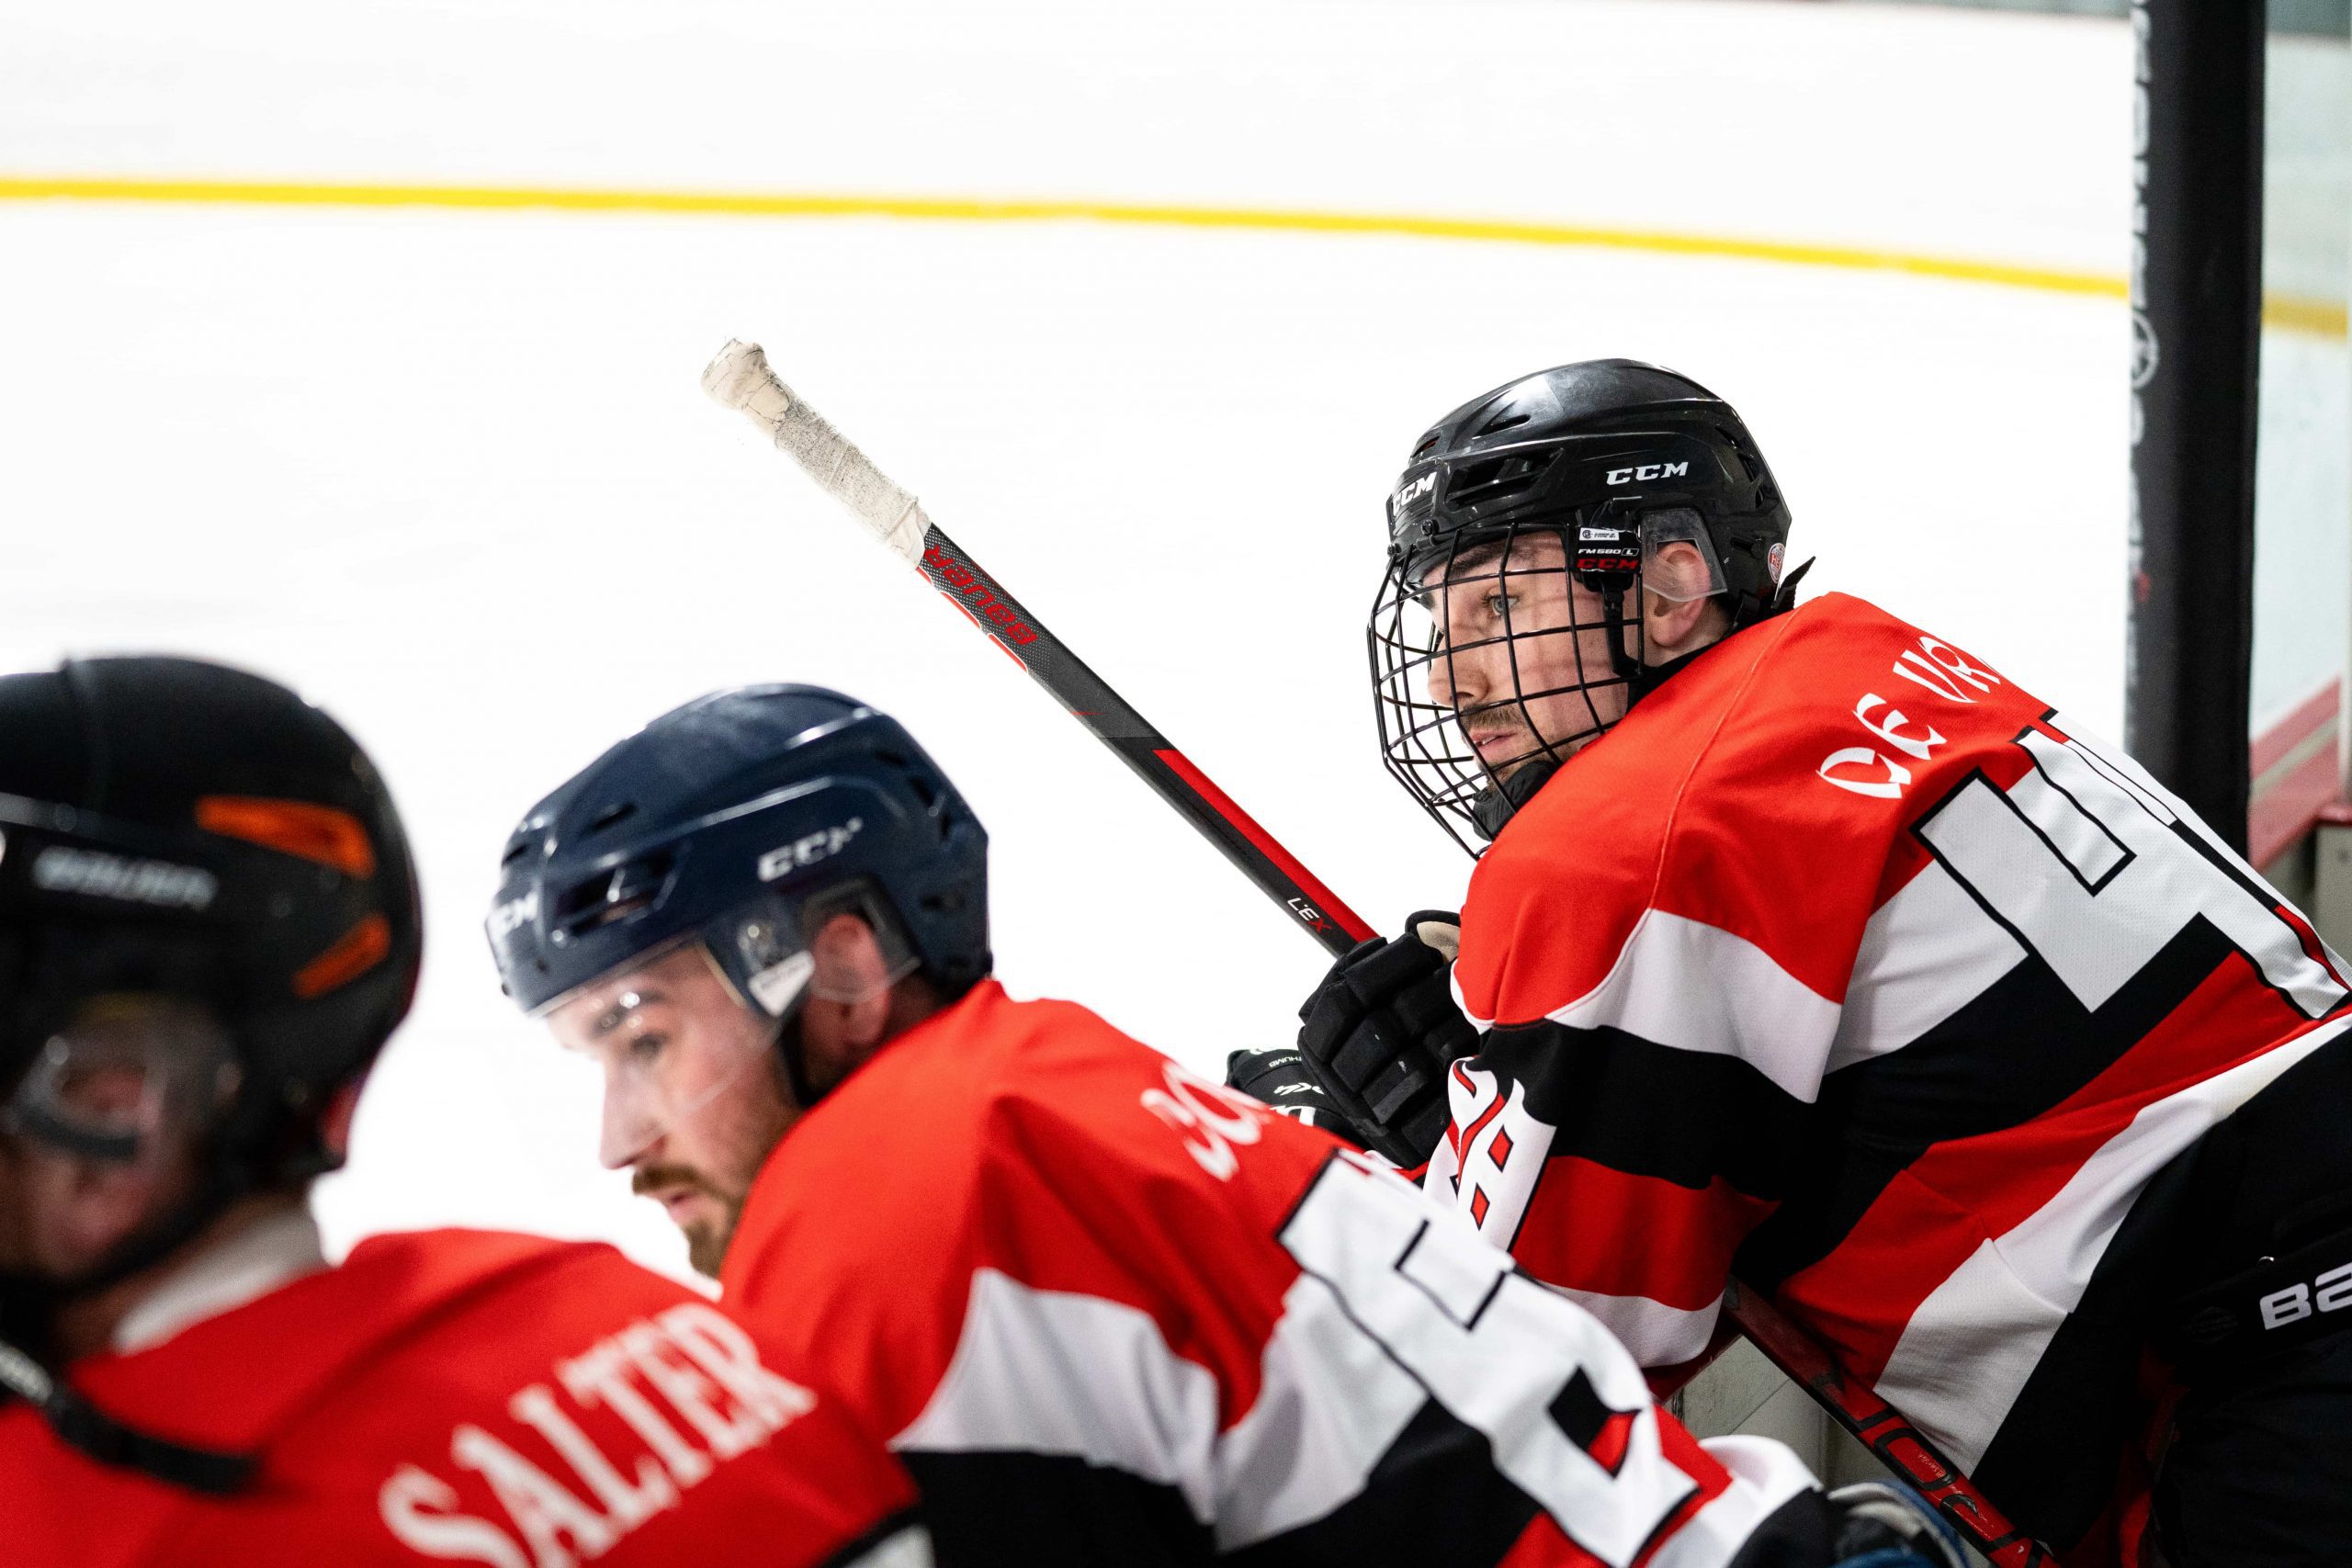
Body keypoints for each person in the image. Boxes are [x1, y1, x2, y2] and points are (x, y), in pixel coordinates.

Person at [487, 680, 1965, 1568]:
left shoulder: (891, 1199)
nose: (620, 1136)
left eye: (648, 1037)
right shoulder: (1042, 1081)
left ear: (850, 967)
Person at [1274, 358, 2352, 1566]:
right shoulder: (1869, 662)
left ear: (1673, 581)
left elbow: (1538, 1360)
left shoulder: (1619, 839)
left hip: (2280, 1371)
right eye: (1439, 620)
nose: (1449, 673)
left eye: (1498, 610)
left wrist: (1431, 1154)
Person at [0, 655, 928, 1568]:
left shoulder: (108, 1531)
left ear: (109, 1114)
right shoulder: (670, 1335)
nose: (619, 1143)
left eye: (645, 1039)